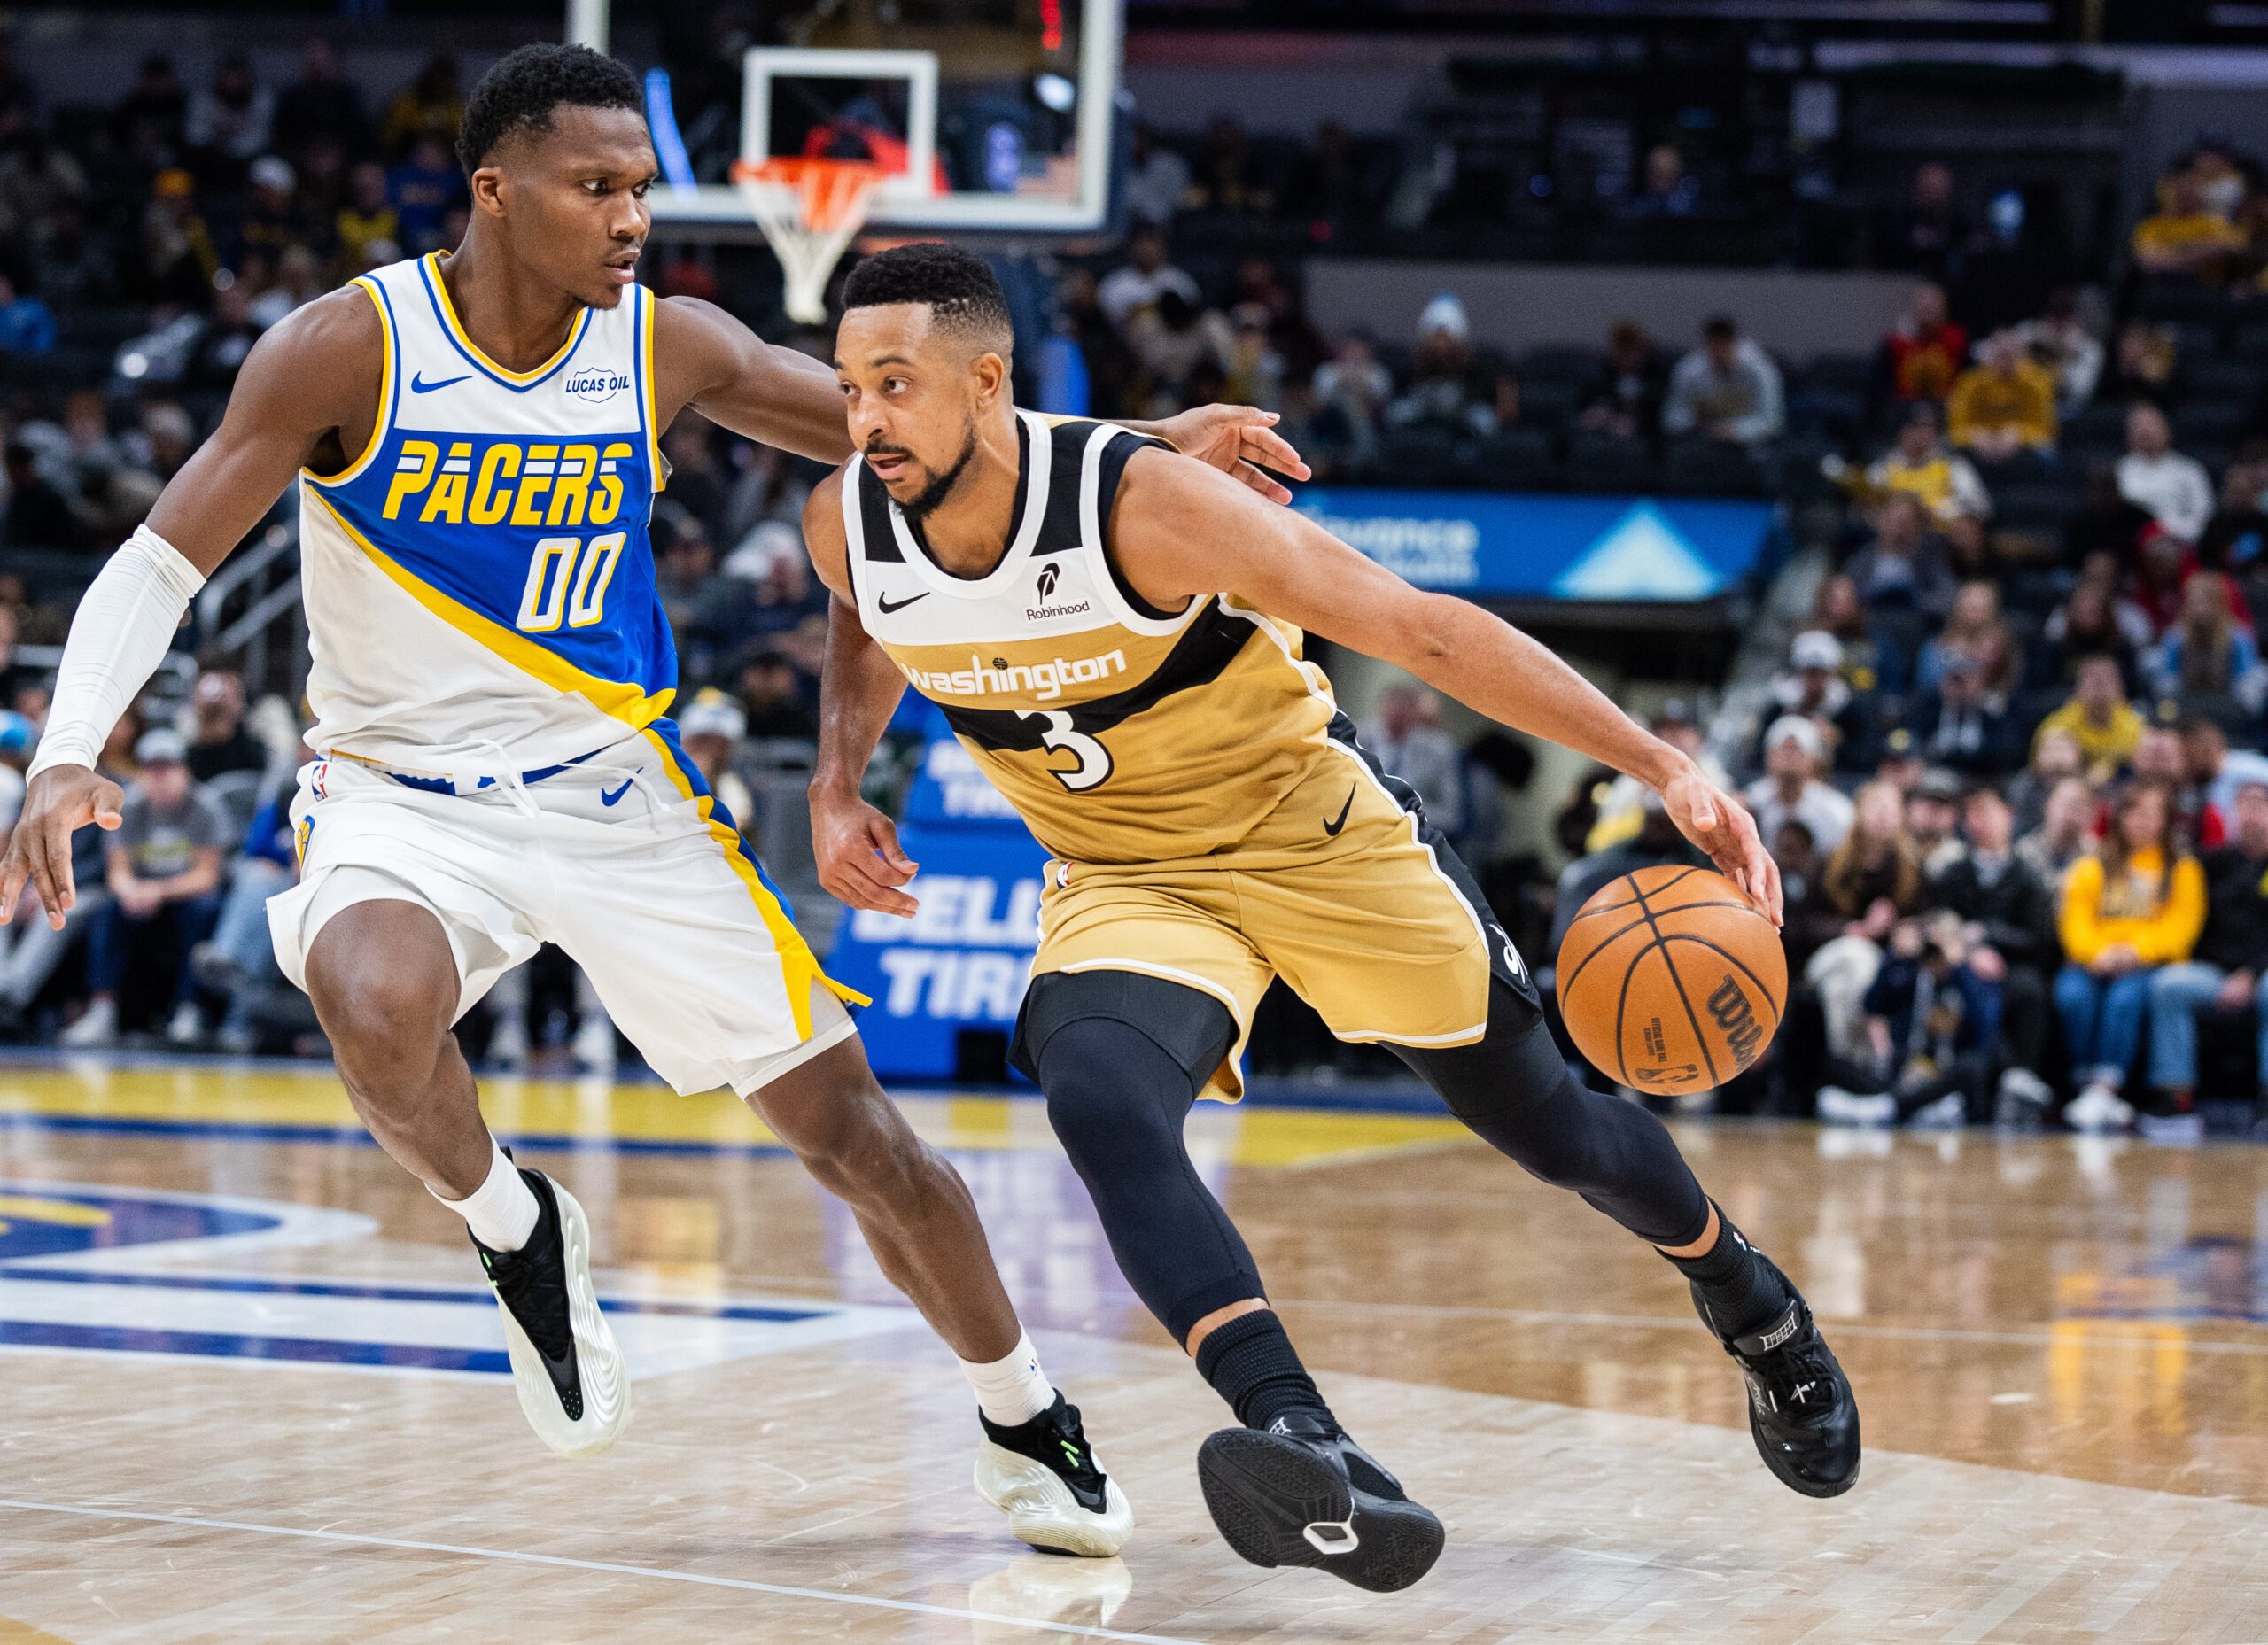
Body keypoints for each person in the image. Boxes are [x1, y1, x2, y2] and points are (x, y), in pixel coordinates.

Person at [1, 43, 1295, 1550]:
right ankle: (515, 1228)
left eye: (640, 190)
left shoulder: (668, 345)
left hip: (618, 789)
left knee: (849, 1131)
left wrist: (1143, 458)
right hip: (398, 793)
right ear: (495, 190)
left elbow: (918, 439)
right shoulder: (345, 350)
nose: (631, 219)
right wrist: (67, 745)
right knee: (370, 996)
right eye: (597, 187)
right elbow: (162, 559)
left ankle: (1024, 1410)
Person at [804, 243, 1858, 1590]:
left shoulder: (1147, 507)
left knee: (1559, 1134)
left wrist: (1663, 766)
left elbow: (1418, 628)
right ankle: (1306, 1439)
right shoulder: (845, 517)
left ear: (988, 381)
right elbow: (866, 614)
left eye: (895, 385)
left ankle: (1750, 1300)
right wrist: (838, 781)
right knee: (1103, 1103)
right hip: (1131, 876)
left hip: (1316, 836)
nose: (866, 419)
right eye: (848, 390)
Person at [58, 727, 228, 1048]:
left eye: (168, 768)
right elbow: (117, 872)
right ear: (141, 773)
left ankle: (188, 1009)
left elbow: (207, 875)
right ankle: (102, 1008)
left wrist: (157, 892)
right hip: (140, 894)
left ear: (184, 771)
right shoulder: (129, 808)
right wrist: (131, 891)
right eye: (152, 768)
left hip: (185, 895)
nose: (160, 777)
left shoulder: (206, 807)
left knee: (203, 909)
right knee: (108, 911)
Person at [2056, 781, 2205, 1130]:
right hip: (2094, 961)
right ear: (2119, 817)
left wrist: (2135, 951)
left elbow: (2181, 928)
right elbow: (2074, 922)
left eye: (2151, 814)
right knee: (2072, 996)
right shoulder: (2091, 866)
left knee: (2125, 999)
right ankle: (2086, 1085)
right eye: (2134, 812)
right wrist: (2099, 954)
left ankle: (2106, 1089)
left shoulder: (2182, 869)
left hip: (2150, 964)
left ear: (2166, 822)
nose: (2141, 822)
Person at [2143, 778, 2268, 1123]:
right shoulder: (2207, 863)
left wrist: (2251, 974)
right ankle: (2176, 1097)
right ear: (2231, 813)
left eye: (2260, 805)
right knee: (2168, 986)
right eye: (2244, 805)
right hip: (2212, 972)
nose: (2252, 814)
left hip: (2261, 972)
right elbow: (2188, 919)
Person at [1930, 784, 2058, 1121]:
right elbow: (1939, 920)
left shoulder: (2029, 875)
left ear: (2009, 816)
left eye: (1986, 811)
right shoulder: (1953, 872)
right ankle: (1947, 1083)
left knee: (2030, 989)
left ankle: (2022, 1075)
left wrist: (1990, 936)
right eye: (1971, 813)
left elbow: (2038, 938)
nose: (1978, 822)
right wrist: (1969, 950)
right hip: (1960, 962)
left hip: (2012, 965)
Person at [1806, 780, 1926, 1063]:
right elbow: (1801, 923)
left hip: (1873, 967)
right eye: (1875, 805)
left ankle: (1845, 1067)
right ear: (1857, 811)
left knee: (1842, 985)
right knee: (1856, 955)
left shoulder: (1910, 870)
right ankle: (1866, 1065)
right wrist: (1851, 930)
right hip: (1827, 956)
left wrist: (1900, 931)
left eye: (1890, 807)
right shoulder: (1829, 863)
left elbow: (1921, 921)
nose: (1883, 813)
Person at [1660, 314, 1783, 446]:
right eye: (1713, 347)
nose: (1718, 354)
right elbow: (1670, 419)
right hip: (1700, 440)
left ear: (1734, 344)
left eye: (1723, 346)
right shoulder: (1688, 370)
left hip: (1750, 444)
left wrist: (1736, 430)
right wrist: (1694, 419)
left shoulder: (1761, 371)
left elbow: (1773, 422)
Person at [1744, 714, 1854, 857]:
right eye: (1784, 748)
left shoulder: (1838, 812)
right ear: (1769, 755)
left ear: (1813, 759)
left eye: (1797, 749)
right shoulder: (1748, 803)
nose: (1789, 756)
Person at [1945, 331, 2057, 461]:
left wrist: (2020, 434)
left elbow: (2047, 431)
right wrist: (1974, 435)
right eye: (2001, 354)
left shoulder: (2037, 381)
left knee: (2047, 457)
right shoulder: (1970, 382)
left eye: (2011, 354)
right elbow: (1955, 430)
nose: (2006, 360)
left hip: (2025, 450)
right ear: (1988, 355)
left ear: (2022, 355)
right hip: (1978, 448)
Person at [2032, 653, 2143, 782]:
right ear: (2078, 687)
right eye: (2092, 679)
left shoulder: (2135, 726)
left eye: (2107, 680)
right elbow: (2037, 768)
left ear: (2121, 687)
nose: (2100, 687)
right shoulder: (2058, 725)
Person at [2117, 404, 2213, 545]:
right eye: (2138, 426)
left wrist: (2168, 532)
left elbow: (2203, 515)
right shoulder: (2119, 470)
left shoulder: (2189, 470)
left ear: (2167, 430)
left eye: (2151, 424)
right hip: (2130, 546)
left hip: (2178, 544)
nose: (2145, 431)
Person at [1880, 283, 1968, 406]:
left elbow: (1967, 380)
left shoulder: (1957, 339)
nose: (1927, 305)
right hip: (1905, 408)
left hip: (1947, 407)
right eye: (1922, 299)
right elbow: (1882, 387)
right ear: (1913, 307)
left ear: (1944, 307)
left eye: (1933, 301)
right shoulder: (1895, 342)